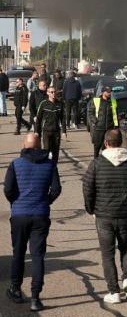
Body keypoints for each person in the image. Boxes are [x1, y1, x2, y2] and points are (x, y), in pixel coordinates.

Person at [82, 129, 127, 304]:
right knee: (126, 247)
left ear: (105, 143)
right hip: (126, 214)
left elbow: (87, 188)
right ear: (121, 142)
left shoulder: (97, 163)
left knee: (107, 253)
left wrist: (91, 209)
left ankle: (113, 290)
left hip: (104, 215)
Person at [4, 133, 61, 311]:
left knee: (18, 253)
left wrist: (15, 202)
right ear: (39, 146)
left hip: (20, 214)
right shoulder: (50, 164)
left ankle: (15, 288)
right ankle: (35, 297)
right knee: (37, 256)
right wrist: (46, 200)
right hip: (40, 214)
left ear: (24, 145)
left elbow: (8, 189)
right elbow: (57, 189)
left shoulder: (15, 164)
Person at [36, 86, 66, 163]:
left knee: (55, 153)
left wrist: (64, 132)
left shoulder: (60, 104)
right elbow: (38, 119)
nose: (53, 94)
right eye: (51, 92)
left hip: (56, 132)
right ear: (47, 93)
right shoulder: (43, 104)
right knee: (46, 150)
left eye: (54, 92)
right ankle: (45, 169)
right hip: (46, 131)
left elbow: (63, 119)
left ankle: (54, 170)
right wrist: (37, 131)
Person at [88, 86, 118, 158]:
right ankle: (95, 161)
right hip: (99, 128)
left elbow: (115, 115)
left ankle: (106, 162)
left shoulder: (113, 102)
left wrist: (116, 127)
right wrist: (96, 121)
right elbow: (90, 113)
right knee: (97, 147)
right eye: (108, 92)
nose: (109, 93)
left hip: (109, 129)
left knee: (108, 148)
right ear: (103, 92)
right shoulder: (96, 100)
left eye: (110, 92)